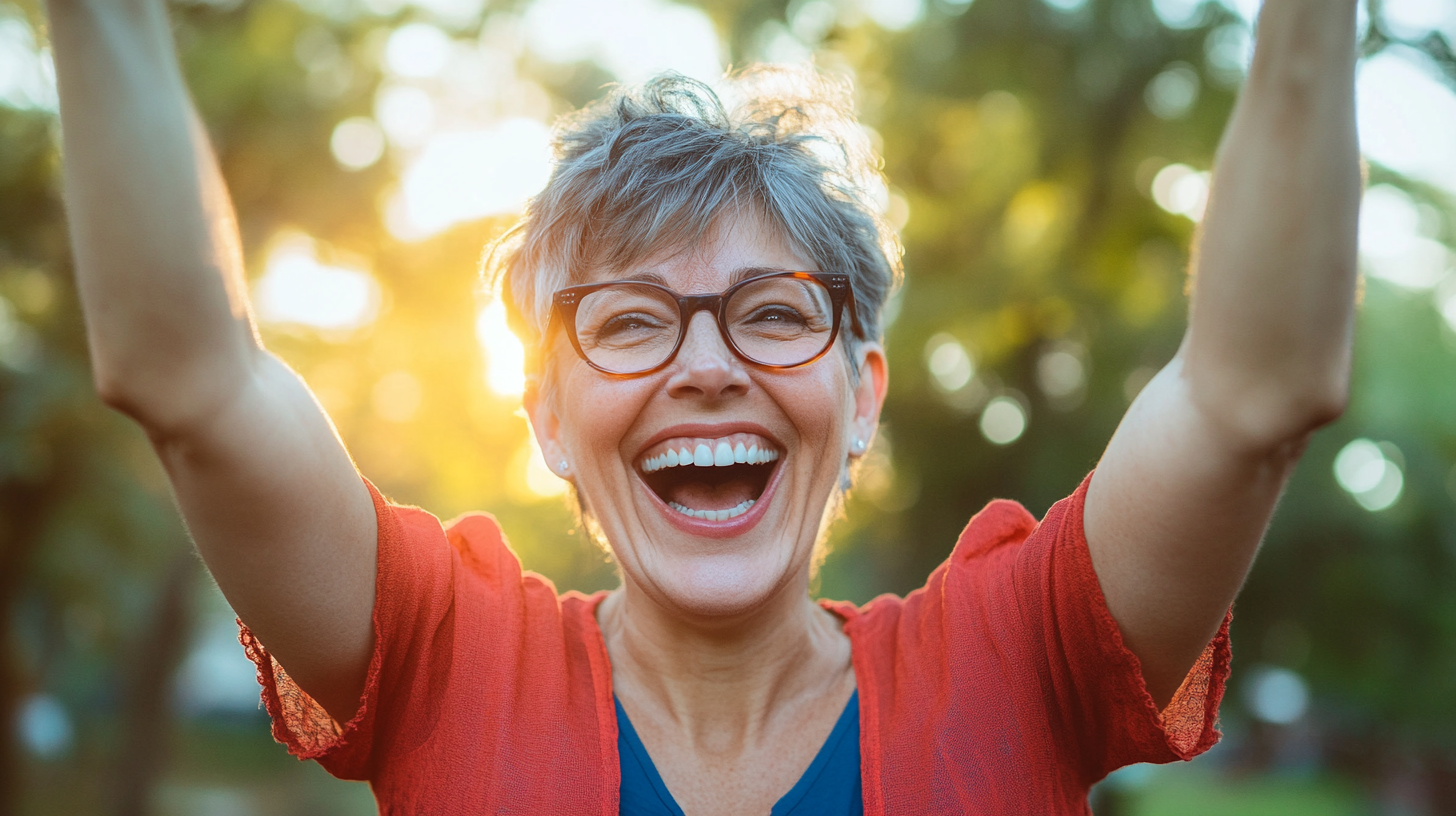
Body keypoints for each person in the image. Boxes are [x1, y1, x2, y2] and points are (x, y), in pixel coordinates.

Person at [46, 0, 1361, 812]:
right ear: (547, 417)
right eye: (627, 322)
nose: (706, 365)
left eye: (776, 311)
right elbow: (191, 379)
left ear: (861, 396)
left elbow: (1256, 391)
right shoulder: (443, 658)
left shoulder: (1022, 660)